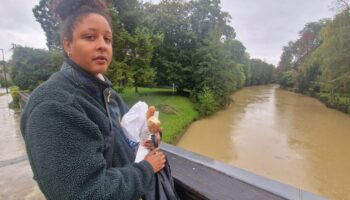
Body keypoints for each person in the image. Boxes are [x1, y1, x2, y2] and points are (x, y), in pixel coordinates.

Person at [20, 0, 167, 199]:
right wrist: (147, 169)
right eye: (90, 37)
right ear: (67, 44)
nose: (102, 46)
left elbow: (127, 138)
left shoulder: (108, 94)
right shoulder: (53, 106)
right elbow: (84, 192)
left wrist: (149, 138)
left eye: (107, 39)